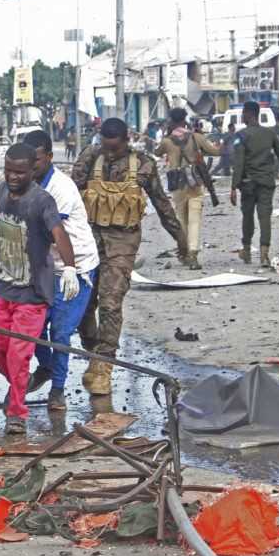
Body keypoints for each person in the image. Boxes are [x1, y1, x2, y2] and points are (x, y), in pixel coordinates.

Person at [72, 118, 187, 396]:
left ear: (126, 140)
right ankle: (94, 349)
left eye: (114, 148)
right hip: (88, 240)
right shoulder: (90, 156)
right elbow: (69, 194)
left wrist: (180, 238)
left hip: (123, 241)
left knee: (110, 302)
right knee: (85, 303)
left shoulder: (144, 164)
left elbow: (161, 203)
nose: (109, 153)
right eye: (105, 147)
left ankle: (103, 367)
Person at [0, 143, 80, 434]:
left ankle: (16, 412)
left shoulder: (43, 201)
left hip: (33, 293)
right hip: (4, 287)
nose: (13, 177)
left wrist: (70, 267)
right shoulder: (1, 191)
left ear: (31, 171)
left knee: (19, 355)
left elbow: (59, 233)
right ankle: (18, 385)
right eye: (8, 171)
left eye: (19, 172)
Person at [22, 130, 99, 411]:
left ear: (49, 158)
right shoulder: (27, 184)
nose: (32, 167)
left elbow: (49, 233)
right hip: (46, 266)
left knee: (61, 331)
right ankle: (47, 366)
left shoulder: (61, 189)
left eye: (37, 161)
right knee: (34, 327)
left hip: (75, 267)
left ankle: (57, 389)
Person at [155, 107, 221, 270]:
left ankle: (183, 252)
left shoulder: (167, 141)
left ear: (171, 120)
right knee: (195, 219)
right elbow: (215, 151)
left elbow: (156, 153)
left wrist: (165, 134)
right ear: (185, 120)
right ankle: (193, 253)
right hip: (195, 182)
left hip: (177, 184)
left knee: (182, 219)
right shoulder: (196, 137)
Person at [230, 101, 279, 268]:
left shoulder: (241, 136)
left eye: (243, 113)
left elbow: (239, 162)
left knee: (248, 217)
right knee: (265, 217)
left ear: (249, 114)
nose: (242, 117)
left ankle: (246, 251)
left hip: (248, 183)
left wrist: (233, 186)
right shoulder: (270, 134)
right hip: (266, 182)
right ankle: (264, 253)